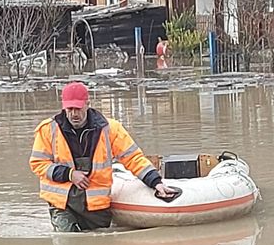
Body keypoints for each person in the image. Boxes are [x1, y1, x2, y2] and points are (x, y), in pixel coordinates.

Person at [30, 81, 175, 232]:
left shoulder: (110, 129)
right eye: (70, 109)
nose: (74, 114)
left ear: (88, 104)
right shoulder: (48, 130)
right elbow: (38, 164)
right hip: (62, 204)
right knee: (69, 243)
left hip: (96, 205)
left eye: (78, 108)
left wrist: (156, 182)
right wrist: (69, 174)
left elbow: (133, 158)